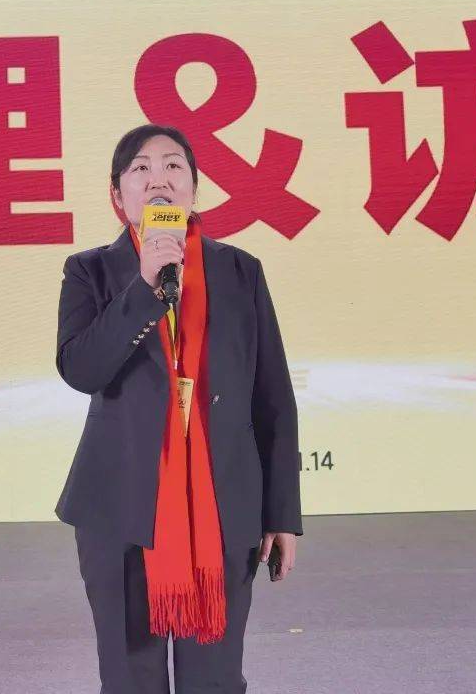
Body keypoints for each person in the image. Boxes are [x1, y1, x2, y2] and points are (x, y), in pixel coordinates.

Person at [54, 123, 303, 693]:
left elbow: (272, 396)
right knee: (130, 678)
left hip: (223, 503)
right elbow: (81, 369)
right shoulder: (90, 271)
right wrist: (144, 288)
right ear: (117, 194)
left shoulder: (240, 271)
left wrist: (281, 513)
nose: (158, 179)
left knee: (214, 679)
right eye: (140, 169)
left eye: (173, 166)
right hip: (119, 507)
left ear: (193, 188)